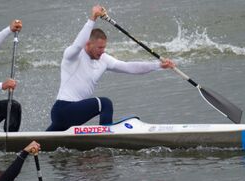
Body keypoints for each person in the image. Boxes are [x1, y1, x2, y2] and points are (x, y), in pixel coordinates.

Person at [46, 5, 176, 131]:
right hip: (63, 109)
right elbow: (78, 43)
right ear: (88, 44)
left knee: (39, 143)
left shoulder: (103, 59)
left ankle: (28, 147)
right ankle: (106, 135)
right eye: (99, 47)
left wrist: (158, 65)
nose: (103, 51)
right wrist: (92, 18)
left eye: (104, 47)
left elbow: (129, 67)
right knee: (105, 103)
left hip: (72, 115)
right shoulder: (72, 55)